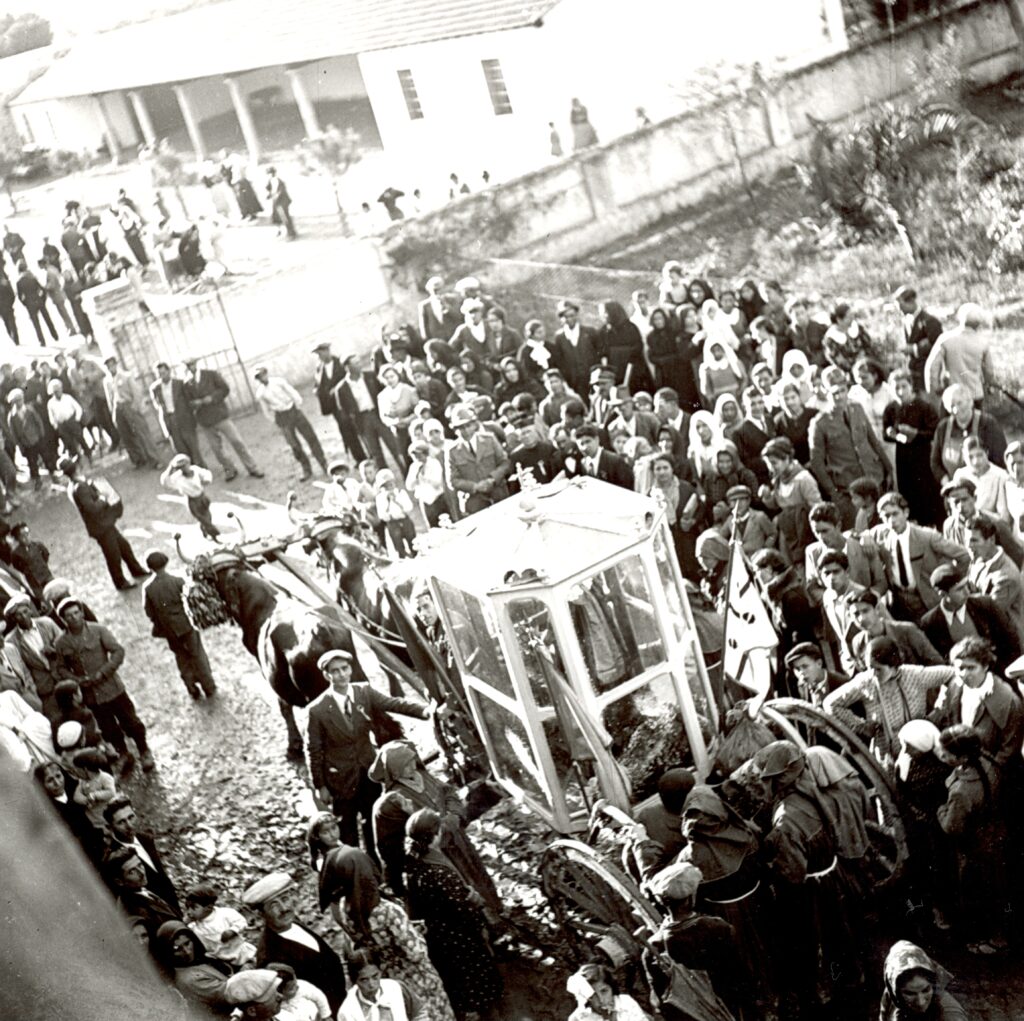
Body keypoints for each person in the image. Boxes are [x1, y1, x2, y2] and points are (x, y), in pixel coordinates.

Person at [306, 649, 431, 853]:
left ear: (351, 668)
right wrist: (320, 785)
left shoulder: (364, 692)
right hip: (340, 779)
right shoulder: (317, 709)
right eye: (335, 671)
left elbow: (394, 704)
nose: (341, 675)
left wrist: (426, 712)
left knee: (372, 823)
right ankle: (354, 867)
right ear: (327, 675)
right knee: (347, 829)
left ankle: (375, 866)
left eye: (345, 668)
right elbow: (314, 749)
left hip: (368, 771)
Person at [315, 842, 456, 1021]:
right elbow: (415, 953)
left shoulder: (345, 908)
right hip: (416, 980)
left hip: (385, 977)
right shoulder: (387, 910)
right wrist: (416, 933)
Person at [369, 741, 499, 910]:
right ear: (395, 771)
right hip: (438, 852)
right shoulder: (394, 800)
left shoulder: (422, 776)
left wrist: (455, 814)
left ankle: (495, 909)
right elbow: (389, 846)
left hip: (457, 839)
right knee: (460, 887)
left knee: (476, 873)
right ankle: (483, 923)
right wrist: (443, 826)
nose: (412, 766)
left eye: (412, 761)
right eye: (406, 765)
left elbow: (448, 792)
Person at [403, 808, 502, 1020]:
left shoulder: (415, 863)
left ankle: (470, 1009)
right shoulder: (439, 871)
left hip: (438, 933)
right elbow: (461, 907)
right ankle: (481, 1011)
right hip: (458, 933)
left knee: (456, 975)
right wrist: (479, 920)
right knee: (473, 975)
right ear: (434, 835)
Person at [935, 723, 1013, 955]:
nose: (941, 755)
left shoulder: (961, 791)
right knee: (998, 886)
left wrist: (940, 810)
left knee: (977, 892)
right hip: (996, 833)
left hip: (975, 847)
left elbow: (952, 827)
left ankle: (992, 940)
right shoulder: (988, 760)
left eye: (946, 753)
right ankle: (998, 934)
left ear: (960, 758)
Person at [646, 861, 754, 1021]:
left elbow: (661, 995)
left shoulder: (653, 945)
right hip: (730, 1007)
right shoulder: (717, 927)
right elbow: (741, 974)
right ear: (691, 898)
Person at [55, 599, 154, 774]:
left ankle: (144, 750)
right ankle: (123, 753)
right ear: (63, 620)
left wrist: (103, 672)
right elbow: (61, 668)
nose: (74, 618)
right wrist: (77, 680)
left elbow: (118, 651)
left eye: (76, 613)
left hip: (112, 688)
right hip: (90, 694)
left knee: (131, 722)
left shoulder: (98, 630)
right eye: (68, 616)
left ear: (82, 613)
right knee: (108, 728)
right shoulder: (62, 643)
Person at [823, 636, 953, 765]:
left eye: (878, 669)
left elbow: (951, 674)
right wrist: (861, 726)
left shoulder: (915, 675)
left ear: (893, 664)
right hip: (887, 753)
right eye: (869, 668)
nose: (873, 674)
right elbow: (830, 703)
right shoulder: (865, 682)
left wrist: (939, 710)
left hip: (921, 747)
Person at [241, 872, 346, 1015]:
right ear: (261, 914)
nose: (284, 908)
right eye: (274, 905)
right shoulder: (271, 957)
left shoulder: (293, 924)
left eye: (285, 899)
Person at [809, 367, 891, 528]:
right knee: (858, 531)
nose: (839, 397)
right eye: (834, 393)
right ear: (826, 392)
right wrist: (834, 494)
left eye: (842, 390)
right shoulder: (820, 423)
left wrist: (889, 470)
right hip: (849, 489)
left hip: (873, 479)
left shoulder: (857, 409)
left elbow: (873, 441)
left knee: (883, 526)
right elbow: (817, 463)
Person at [930, 636, 1024, 770]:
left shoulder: (1008, 701)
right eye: (960, 668)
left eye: (971, 668)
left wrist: (988, 775)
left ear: (985, 666)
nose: (964, 674)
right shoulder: (954, 686)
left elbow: (1009, 749)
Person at [874, 491, 969, 620]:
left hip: (927, 599)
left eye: (895, 514)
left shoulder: (927, 537)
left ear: (906, 513)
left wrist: (952, 583)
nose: (892, 520)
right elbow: (856, 536)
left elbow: (963, 555)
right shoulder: (882, 537)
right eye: (886, 516)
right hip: (899, 602)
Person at [63, 456, 148, 591]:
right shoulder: (81, 487)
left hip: (103, 525)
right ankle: (120, 582)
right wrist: (103, 498)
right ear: (77, 468)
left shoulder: (76, 485)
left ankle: (136, 570)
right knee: (113, 555)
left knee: (123, 547)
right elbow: (92, 508)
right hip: (101, 526)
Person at [920, 564, 1022, 674]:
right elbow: (938, 661)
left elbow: (1011, 639)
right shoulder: (930, 622)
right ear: (943, 594)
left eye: (966, 585)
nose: (967, 592)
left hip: (998, 672)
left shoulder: (985, 605)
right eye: (959, 589)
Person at [142, 550, 217, 700]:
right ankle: (208, 686)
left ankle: (191, 688)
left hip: (169, 631)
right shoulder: (177, 580)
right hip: (187, 625)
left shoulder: (148, 588)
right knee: (198, 655)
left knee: (181, 658)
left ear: (150, 567)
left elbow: (149, 611)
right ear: (165, 562)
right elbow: (192, 601)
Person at [183, 358, 264, 481]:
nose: (191, 367)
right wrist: (195, 403)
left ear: (196, 363)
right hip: (205, 420)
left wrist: (212, 398)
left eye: (192, 364)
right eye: (188, 365)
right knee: (216, 449)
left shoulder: (210, 375)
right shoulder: (187, 383)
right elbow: (188, 402)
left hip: (220, 415)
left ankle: (252, 467)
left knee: (237, 441)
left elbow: (225, 389)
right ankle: (230, 469)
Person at [882, 367, 942, 527]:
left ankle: (932, 526)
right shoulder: (891, 409)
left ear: (911, 386)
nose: (900, 391)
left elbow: (935, 431)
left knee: (926, 492)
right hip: (903, 458)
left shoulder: (924, 406)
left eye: (904, 386)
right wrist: (893, 434)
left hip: (922, 456)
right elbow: (885, 434)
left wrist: (915, 434)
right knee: (908, 492)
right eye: (896, 388)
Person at [104, 795, 180, 911]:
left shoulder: (145, 839)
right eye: (121, 822)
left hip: (171, 903)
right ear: (111, 827)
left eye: (131, 817)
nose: (129, 825)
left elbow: (159, 873)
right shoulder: (113, 859)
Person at [253, 366, 327, 480]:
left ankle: (323, 463)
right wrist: (275, 420)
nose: (262, 378)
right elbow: (266, 410)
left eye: (263, 374)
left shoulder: (279, 382)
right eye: (259, 377)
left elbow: (292, 392)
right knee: (294, 445)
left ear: (266, 373)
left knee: (310, 437)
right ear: (257, 379)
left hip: (293, 410)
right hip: (281, 417)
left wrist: (297, 406)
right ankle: (306, 469)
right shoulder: (260, 393)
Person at [930, 383, 1006, 485]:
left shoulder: (987, 423)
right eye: (952, 405)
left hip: (985, 485)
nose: (956, 409)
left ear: (970, 402)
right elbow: (935, 462)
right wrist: (947, 483)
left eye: (959, 403)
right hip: (955, 488)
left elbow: (1000, 459)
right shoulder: (943, 427)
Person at [152, 920, 233, 1014]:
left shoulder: (203, 959)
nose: (187, 952)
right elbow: (233, 993)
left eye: (187, 943)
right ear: (168, 953)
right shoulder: (190, 979)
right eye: (177, 949)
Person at [443, 404, 510, 515]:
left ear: (474, 424)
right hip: (474, 501)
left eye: (468, 425)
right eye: (461, 428)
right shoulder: (452, 451)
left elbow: (504, 462)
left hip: (498, 493)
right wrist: (475, 486)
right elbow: (452, 480)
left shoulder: (489, 439)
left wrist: (492, 479)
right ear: (455, 430)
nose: (466, 430)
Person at [879, 940, 967, 1021]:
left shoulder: (951, 1016)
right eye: (910, 993)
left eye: (926, 990)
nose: (920, 1002)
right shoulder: (892, 994)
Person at [923, 302, 990, 404]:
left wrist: (935, 388)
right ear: (978, 323)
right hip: (975, 393)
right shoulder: (983, 342)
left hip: (952, 394)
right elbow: (989, 371)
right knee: (976, 419)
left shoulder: (946, 339)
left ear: (960, 318)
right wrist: (987, 386)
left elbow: (932, 366)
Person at [103, 358, 161, 469]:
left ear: (116, 364)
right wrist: (113, 412)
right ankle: (138, 460)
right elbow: (109, 398)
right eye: (108, 367)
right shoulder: (107, 381)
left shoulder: (126, 376)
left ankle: (155, 460)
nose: (111, 368)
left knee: (142, 433)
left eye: (112, 365)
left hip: (129, 405)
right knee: (126, 436)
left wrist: (134, 406)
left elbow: (137, 392)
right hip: (118, 408)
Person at [338, 951, 428, 1021]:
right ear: (355, 981)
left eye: (375, 976)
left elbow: (419, 1012)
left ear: (380, 971)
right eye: (364, 980)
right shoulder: (347, 1012)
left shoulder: (396, 988)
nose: (371, 984)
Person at [183, 882, 257, 968]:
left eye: (193, 908)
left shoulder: (224, 914)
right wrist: (185, 923)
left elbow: (241, 921)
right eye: (187, 907)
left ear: (208, 907)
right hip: (220, 961)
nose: (189, 911)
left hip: (241, 955)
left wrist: (233, 930)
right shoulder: (194, 925)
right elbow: (185, 934)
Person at [150, 362, 204, 466]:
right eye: (159, 374)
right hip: (170, 420)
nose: (162, 376)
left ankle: (202, 469)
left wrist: (190, 417)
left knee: (193, 446)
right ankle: (189, 472)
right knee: (180, 449)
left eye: (164, 373)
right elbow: (158, 405)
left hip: (184, 418)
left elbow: (189, 400)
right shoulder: (155, 388)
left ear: (169, 371)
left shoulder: (179, 383)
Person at [551, 299, 603, 401]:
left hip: (593, 378)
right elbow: (559, 361)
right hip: (573, 382)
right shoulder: (559, 337)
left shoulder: (590, 332)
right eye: (566, 316)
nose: (569, 319)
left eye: (572, 315)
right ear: (561, 318)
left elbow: (600, 353)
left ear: (577, 315)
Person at [161, 454, 220, 540]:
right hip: (192, 501)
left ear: (189, 463)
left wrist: (207, 480)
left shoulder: (195, 470)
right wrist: (170, 468)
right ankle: (215, 534)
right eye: (181, 467)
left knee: (208, 515)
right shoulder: (177, 477)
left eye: (185, 465)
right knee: (202, 518)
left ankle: (204, 528)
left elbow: (206, 473)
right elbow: (165, 482)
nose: (184, 468)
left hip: (202, 497)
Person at [566, 962, 650, 1021]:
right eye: (593, 995)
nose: (601, 999)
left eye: (604, 991)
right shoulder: (579, 1018)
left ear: (612, 988)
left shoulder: (625, 1003)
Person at [17, 261, 58, 343]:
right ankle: (54, 335)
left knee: (36, 324)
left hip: (30, 303)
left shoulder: (19, 282)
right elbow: (42, 289)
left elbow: (20, 297)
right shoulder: (32, 278)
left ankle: (41, 340)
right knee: (47, 319)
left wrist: (26, 303)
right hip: (38, 300)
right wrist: (42, 299)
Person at [8, 521, 51, 600]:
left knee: (54, 592)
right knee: (43, 599)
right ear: (17, 539)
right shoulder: (16, 553)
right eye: (22, 536)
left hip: (46, 575)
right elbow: (16, 565)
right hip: (34, 581)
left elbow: (46, 554)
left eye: (27, 534)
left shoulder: (37, 545)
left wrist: (42, 564)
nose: (26, 538)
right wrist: (26, 570)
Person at [266, 167, 297, 239]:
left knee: (284, 216)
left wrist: (276, 195)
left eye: (271, 173)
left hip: (282, 201)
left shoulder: (279, 181)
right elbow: (269, 189)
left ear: (274, 173)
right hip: (275, 201)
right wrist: (269, 195)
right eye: (268, 174)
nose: (269, 175)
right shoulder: (270, 181)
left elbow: (281, 191)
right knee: (276, 216)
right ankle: (279, 231)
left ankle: (291, 233)